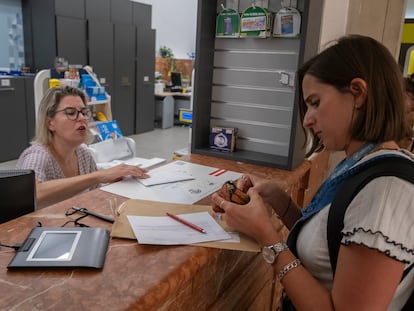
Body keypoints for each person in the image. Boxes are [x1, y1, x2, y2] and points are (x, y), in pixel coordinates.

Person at [211, 35, 414, 310]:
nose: (307, 119)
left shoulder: (385, 190)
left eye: (315, 102)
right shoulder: (360, 162)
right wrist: (279, 200)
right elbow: (328, 250)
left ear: (358, 93)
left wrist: (266, 237)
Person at [16, 86, 149, 208]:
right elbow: (29, 193)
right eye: (70, 112)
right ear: (50, 123)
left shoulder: (83, 154)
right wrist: (97, 176)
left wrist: (115, 182)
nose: (81, 118)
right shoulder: (38, 155)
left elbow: (94, 194)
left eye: (84, 112)